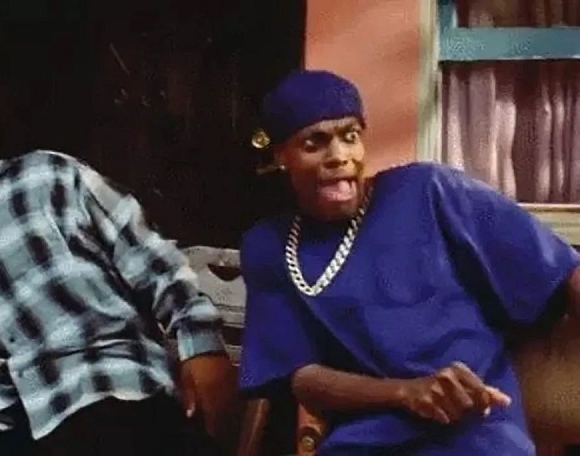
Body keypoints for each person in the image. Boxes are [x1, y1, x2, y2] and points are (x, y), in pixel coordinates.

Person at [0, 84, 234, 456]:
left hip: (110, 385)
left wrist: (200, 343)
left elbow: (151, 258)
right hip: (16, 417)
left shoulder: (48, 177)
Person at [238, 69, 580, 455]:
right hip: (361, 441)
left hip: (476, 431)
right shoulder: (269, 246)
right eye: (314, 143)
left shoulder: (430, 191)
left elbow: (564, 270)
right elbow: (302, 378)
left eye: (350, 136)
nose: (339, 157)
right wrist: (405, 392)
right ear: (281, 155)